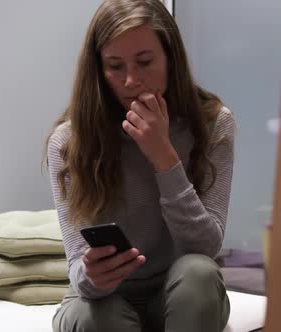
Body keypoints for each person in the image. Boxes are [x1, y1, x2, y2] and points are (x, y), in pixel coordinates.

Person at [44, 0, 234, 331]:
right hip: (104, 301)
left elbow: (204, 249)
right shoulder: (69, 141)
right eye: (115, 66)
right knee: (94, 317)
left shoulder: (213, 124)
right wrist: (91, 276)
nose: (132, 80)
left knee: (198, 274)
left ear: (171, 59)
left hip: (179, 292)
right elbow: (78, 269)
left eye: (145, 62)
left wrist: (163, 156)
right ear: (98, 69)